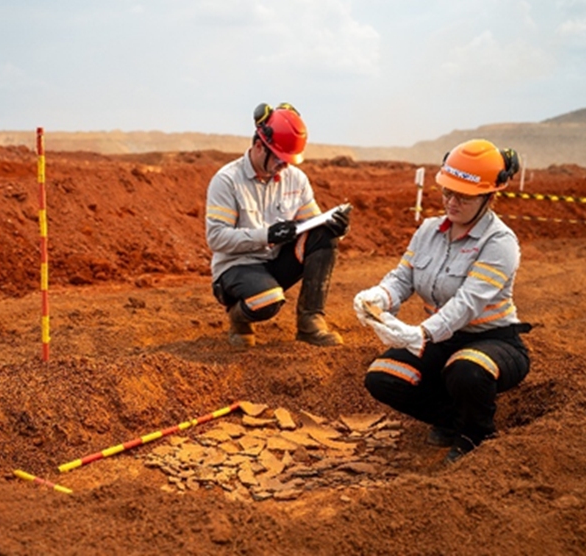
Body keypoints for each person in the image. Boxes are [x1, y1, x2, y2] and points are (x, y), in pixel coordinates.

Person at [353, 138, 531, 464]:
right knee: (381, 376)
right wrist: (379, 295)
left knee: (465, 370)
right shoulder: (428, 230)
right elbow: (403, 277)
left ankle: (475, 435)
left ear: (489, 197)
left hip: (492, 341)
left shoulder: (500, 242)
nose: (451, 202)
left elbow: (467, 304)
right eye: (447, 192)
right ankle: (452, 419)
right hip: (443, 339)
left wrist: (420, 334)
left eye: (463, 196)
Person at [205, 102, 351, 348]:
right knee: (268, 301)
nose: (286, 165)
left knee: (324, 233)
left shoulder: (296, 178)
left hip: (274, 264)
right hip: (237, 267)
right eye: (281, 159)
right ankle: (238, 318)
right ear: (260, 146)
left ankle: (310, 323)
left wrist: (337, 228)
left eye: (289, 160)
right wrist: (267, 235)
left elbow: (313, 225)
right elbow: (217, 238)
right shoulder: (227, 180)